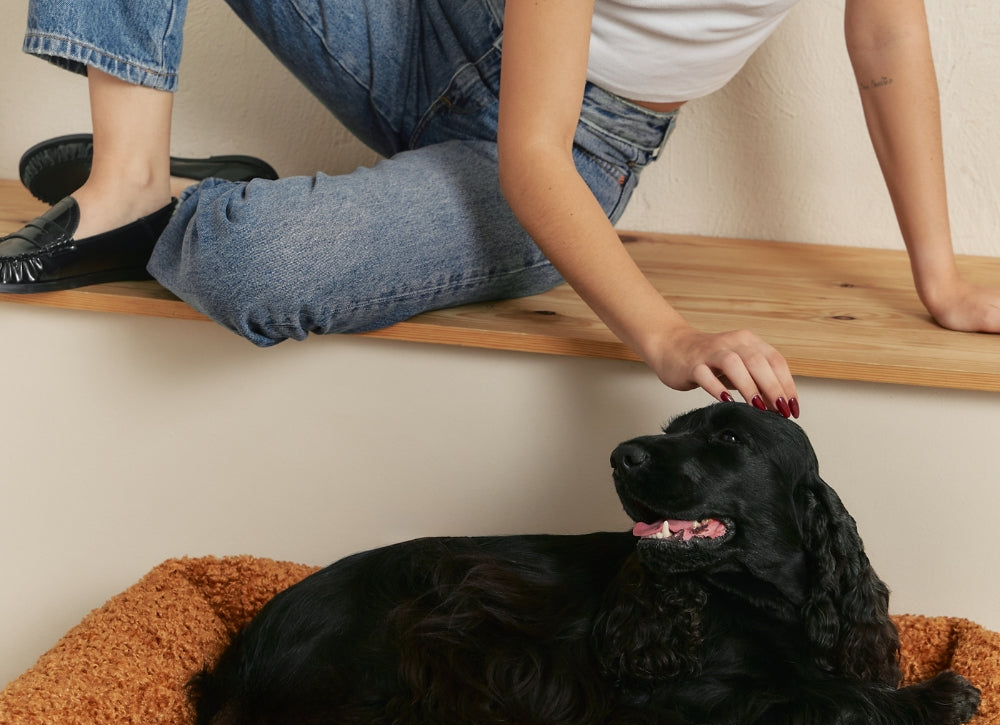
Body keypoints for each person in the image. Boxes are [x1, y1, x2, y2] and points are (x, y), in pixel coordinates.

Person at [1, 0, 998, 418]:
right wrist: (666, 333)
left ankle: (190, 206)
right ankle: (130, 181)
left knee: (251, 266)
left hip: (576, 144)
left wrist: (940, 281)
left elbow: (886, 46)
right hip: (436, 31)